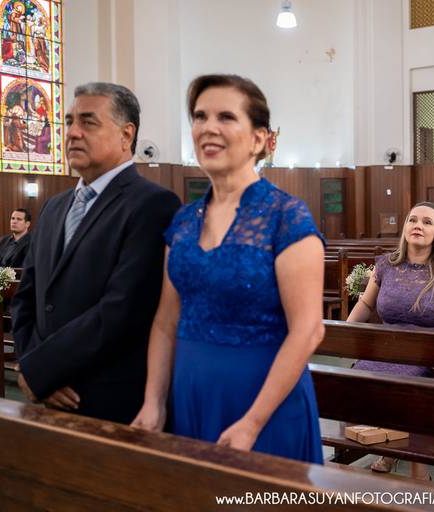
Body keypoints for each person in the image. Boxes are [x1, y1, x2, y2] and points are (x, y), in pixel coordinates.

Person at [131, 75, 325, 464]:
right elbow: (166, 321)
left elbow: (308, 330)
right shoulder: (183, 221)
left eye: (226, 117)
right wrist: (154, 401)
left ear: (258, 139)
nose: (208, 127)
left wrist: (252, 423)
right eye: (200, 117)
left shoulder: (285, 216)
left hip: (263, 401)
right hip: (191, 393)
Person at [12, 82, 181, 423]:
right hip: (47, 396)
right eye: (69, 122)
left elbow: (123, 308)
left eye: (88, 122)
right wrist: (33, 368)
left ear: (126, 135)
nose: (72, 133)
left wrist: (44, 368)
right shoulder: (53, 207)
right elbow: (27, 295)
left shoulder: (153, 204)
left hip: (108, 398)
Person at [347, 201, 434, 479]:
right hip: (389, 351)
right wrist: (343, 334)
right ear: (405, 227)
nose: (418, 225)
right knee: (358, 381)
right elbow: (366, 305)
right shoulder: (386, 265)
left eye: (427, 222)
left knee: (413, 394)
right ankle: (390, 449)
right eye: (413, 220)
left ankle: (419, 473)